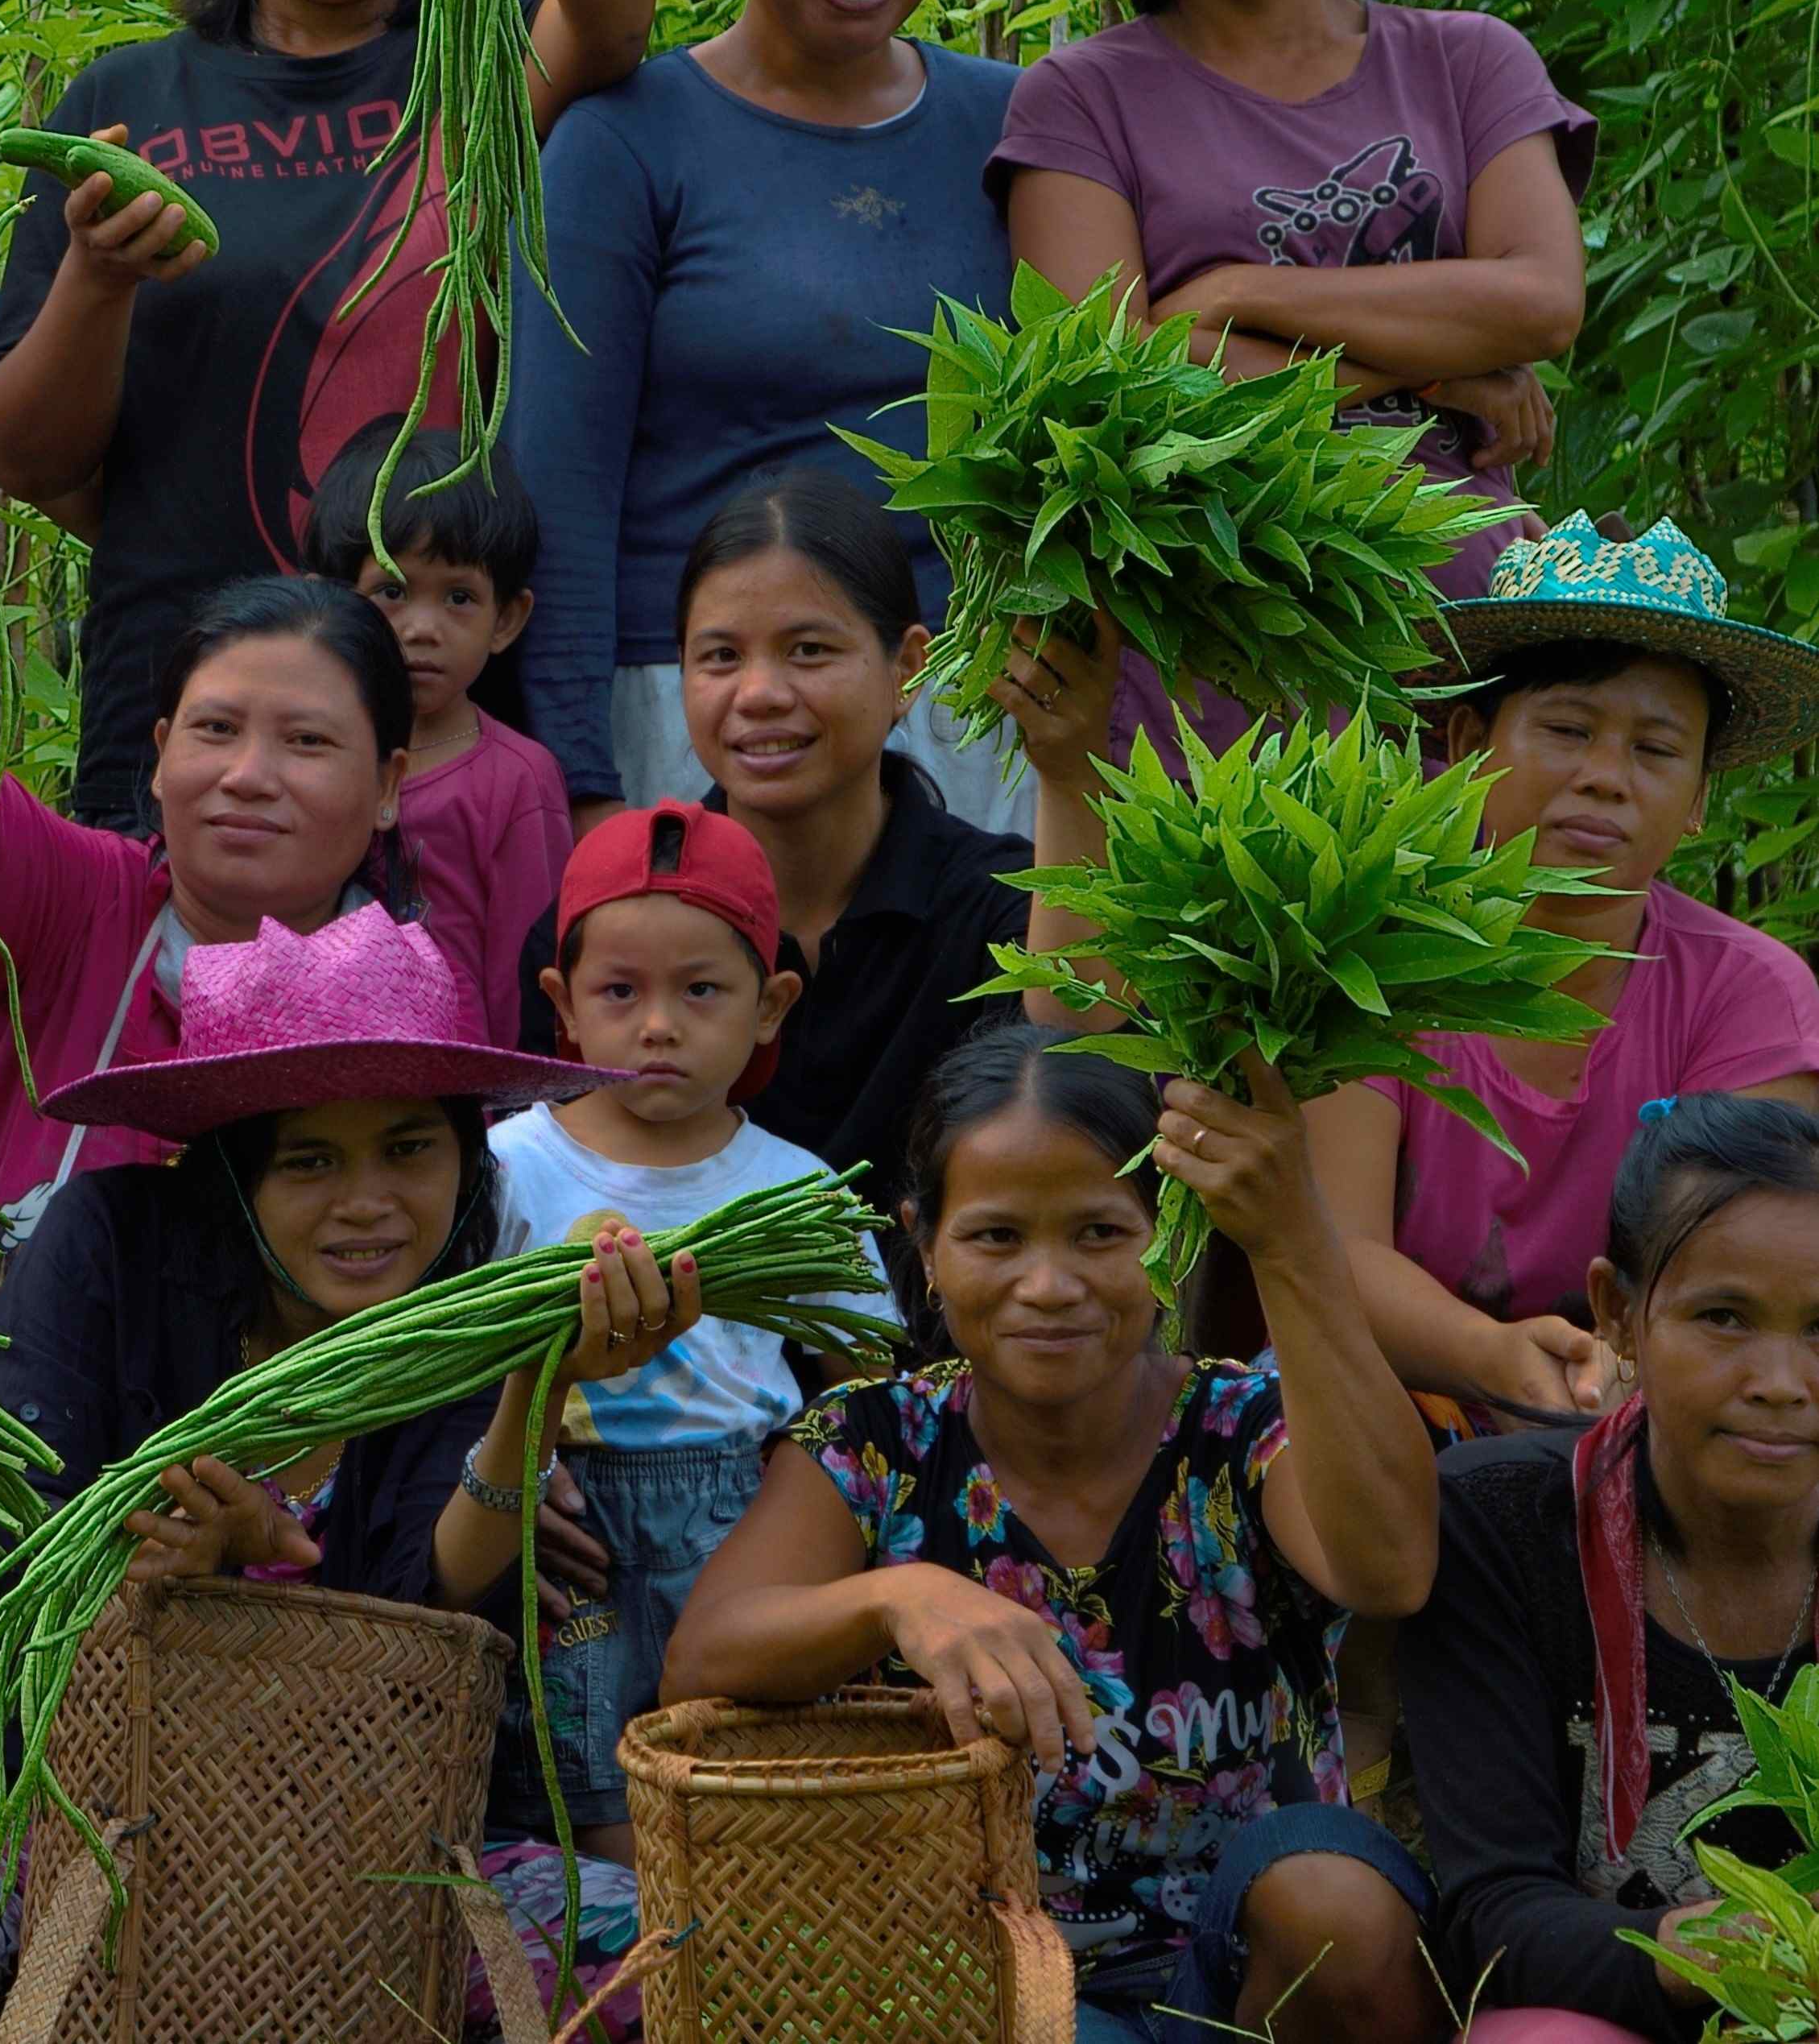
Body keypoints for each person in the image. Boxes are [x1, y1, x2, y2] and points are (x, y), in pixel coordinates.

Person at [0, 904, 701, 2042]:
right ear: (233, 1180)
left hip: (385, 1860)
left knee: (664, 1959)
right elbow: (32, 1552)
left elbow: (431, 1608)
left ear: (462, 1155)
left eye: (408, 1148)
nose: (366, 1203)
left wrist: (529, 1405)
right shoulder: (107, 1242)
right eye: (308, 1160)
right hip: (80, 1832)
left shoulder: (467, 1315)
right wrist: (179, 1576)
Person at [0, 0, 658, 830]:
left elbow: (610, 17)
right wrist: (94, 278)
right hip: (181, 724)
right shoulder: (125, 101)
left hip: (431, 731)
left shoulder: (481, 68)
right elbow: (25, 460)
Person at [666, 1026, 1445, 2044]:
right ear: (926, 1245)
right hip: (989, 1979)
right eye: (996, 1236)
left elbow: (1387, 1568)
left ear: (1168, 1236)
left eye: (1099, 1232)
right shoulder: (874, 1442)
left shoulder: (1246, 1427)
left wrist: (1291, 1238)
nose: (1048, 1283)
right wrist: (899, 1596)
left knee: (1337, 1903)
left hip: (1252, 1968)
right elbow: (702, 1658)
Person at [995, 0, 1592, 762]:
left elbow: (1540, 301)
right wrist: (1441, 369)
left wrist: (1228, 293)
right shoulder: (1077, 101)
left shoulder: (1467, 64)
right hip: (1216, 656)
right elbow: (1121, 401)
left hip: (1482, 661)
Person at [0, 299, 426, 1306]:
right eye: (213, 730)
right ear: (157, 760)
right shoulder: (79, 911)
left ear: (387, 786)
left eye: (307, 741)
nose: (249, 773)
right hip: (5, 1435)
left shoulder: (410, 997)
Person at [509, 0, 1022, 834]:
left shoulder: (1012, 124)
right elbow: (559, 481)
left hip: (966, 706)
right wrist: (577, 783)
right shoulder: (623, 142)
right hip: (693, 713)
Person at [1304, 518, 1819, 1422]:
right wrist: (1490, 1356)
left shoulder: (1751, 995)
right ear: (1466, 742)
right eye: (1569, 728)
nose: (1606, 776)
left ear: (1698, 797)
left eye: (1656, 750)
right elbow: (1330, 1247)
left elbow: (1741, 1284)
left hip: (1653, 1421)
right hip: (1380, 1414)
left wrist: (1597, 1378)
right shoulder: (1364, 953)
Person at [490, 803, 892, 1856]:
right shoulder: (505, 1169)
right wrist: (508, 1490)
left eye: (699, 990)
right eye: (619, 991)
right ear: (561, 1004)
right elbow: (454, 1370)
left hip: (741, 1519)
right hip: (569, 1524)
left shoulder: (796, 1190)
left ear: (770, 1007)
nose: (657, 1023)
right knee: (592, 1807)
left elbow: (868, 1385)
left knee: (743, 1782)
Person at [1405, 1094, 1819, 2044]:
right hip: (1612, 2009)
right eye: (1724, 1316)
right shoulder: (1505, 1523)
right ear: (1617, 1315)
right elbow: (1495, 1915)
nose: (1781, 1380)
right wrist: (1723, 1953)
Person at [664, 473, 1045, 1220]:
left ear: (906, 668)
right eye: (718, 658)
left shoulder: (999, 910)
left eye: (807, 650)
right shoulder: (621, 915)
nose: (759, 693)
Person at [303, 414, 568, 1046]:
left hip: (465, 1104)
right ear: (327, 604)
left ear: (506, 619)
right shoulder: (296, 757)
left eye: (458, 598)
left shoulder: (515, 779)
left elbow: (528, 974)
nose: (422, 628)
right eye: (390, 591)